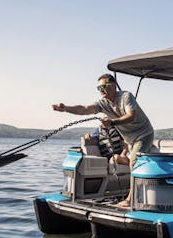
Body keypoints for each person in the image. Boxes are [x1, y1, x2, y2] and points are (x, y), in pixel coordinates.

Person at [52, 73, 154, 208]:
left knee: (134, 163)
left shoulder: (125, 96)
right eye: (99, 88)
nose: (101, 90)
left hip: (143, 134)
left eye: (104, 87)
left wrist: (112, 122)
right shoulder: (103, 103)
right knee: (134, 163)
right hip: (129, 139)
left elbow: (131, 116)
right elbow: (85, 109)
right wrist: (66, 109)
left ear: (114, 86)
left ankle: (131, 199)